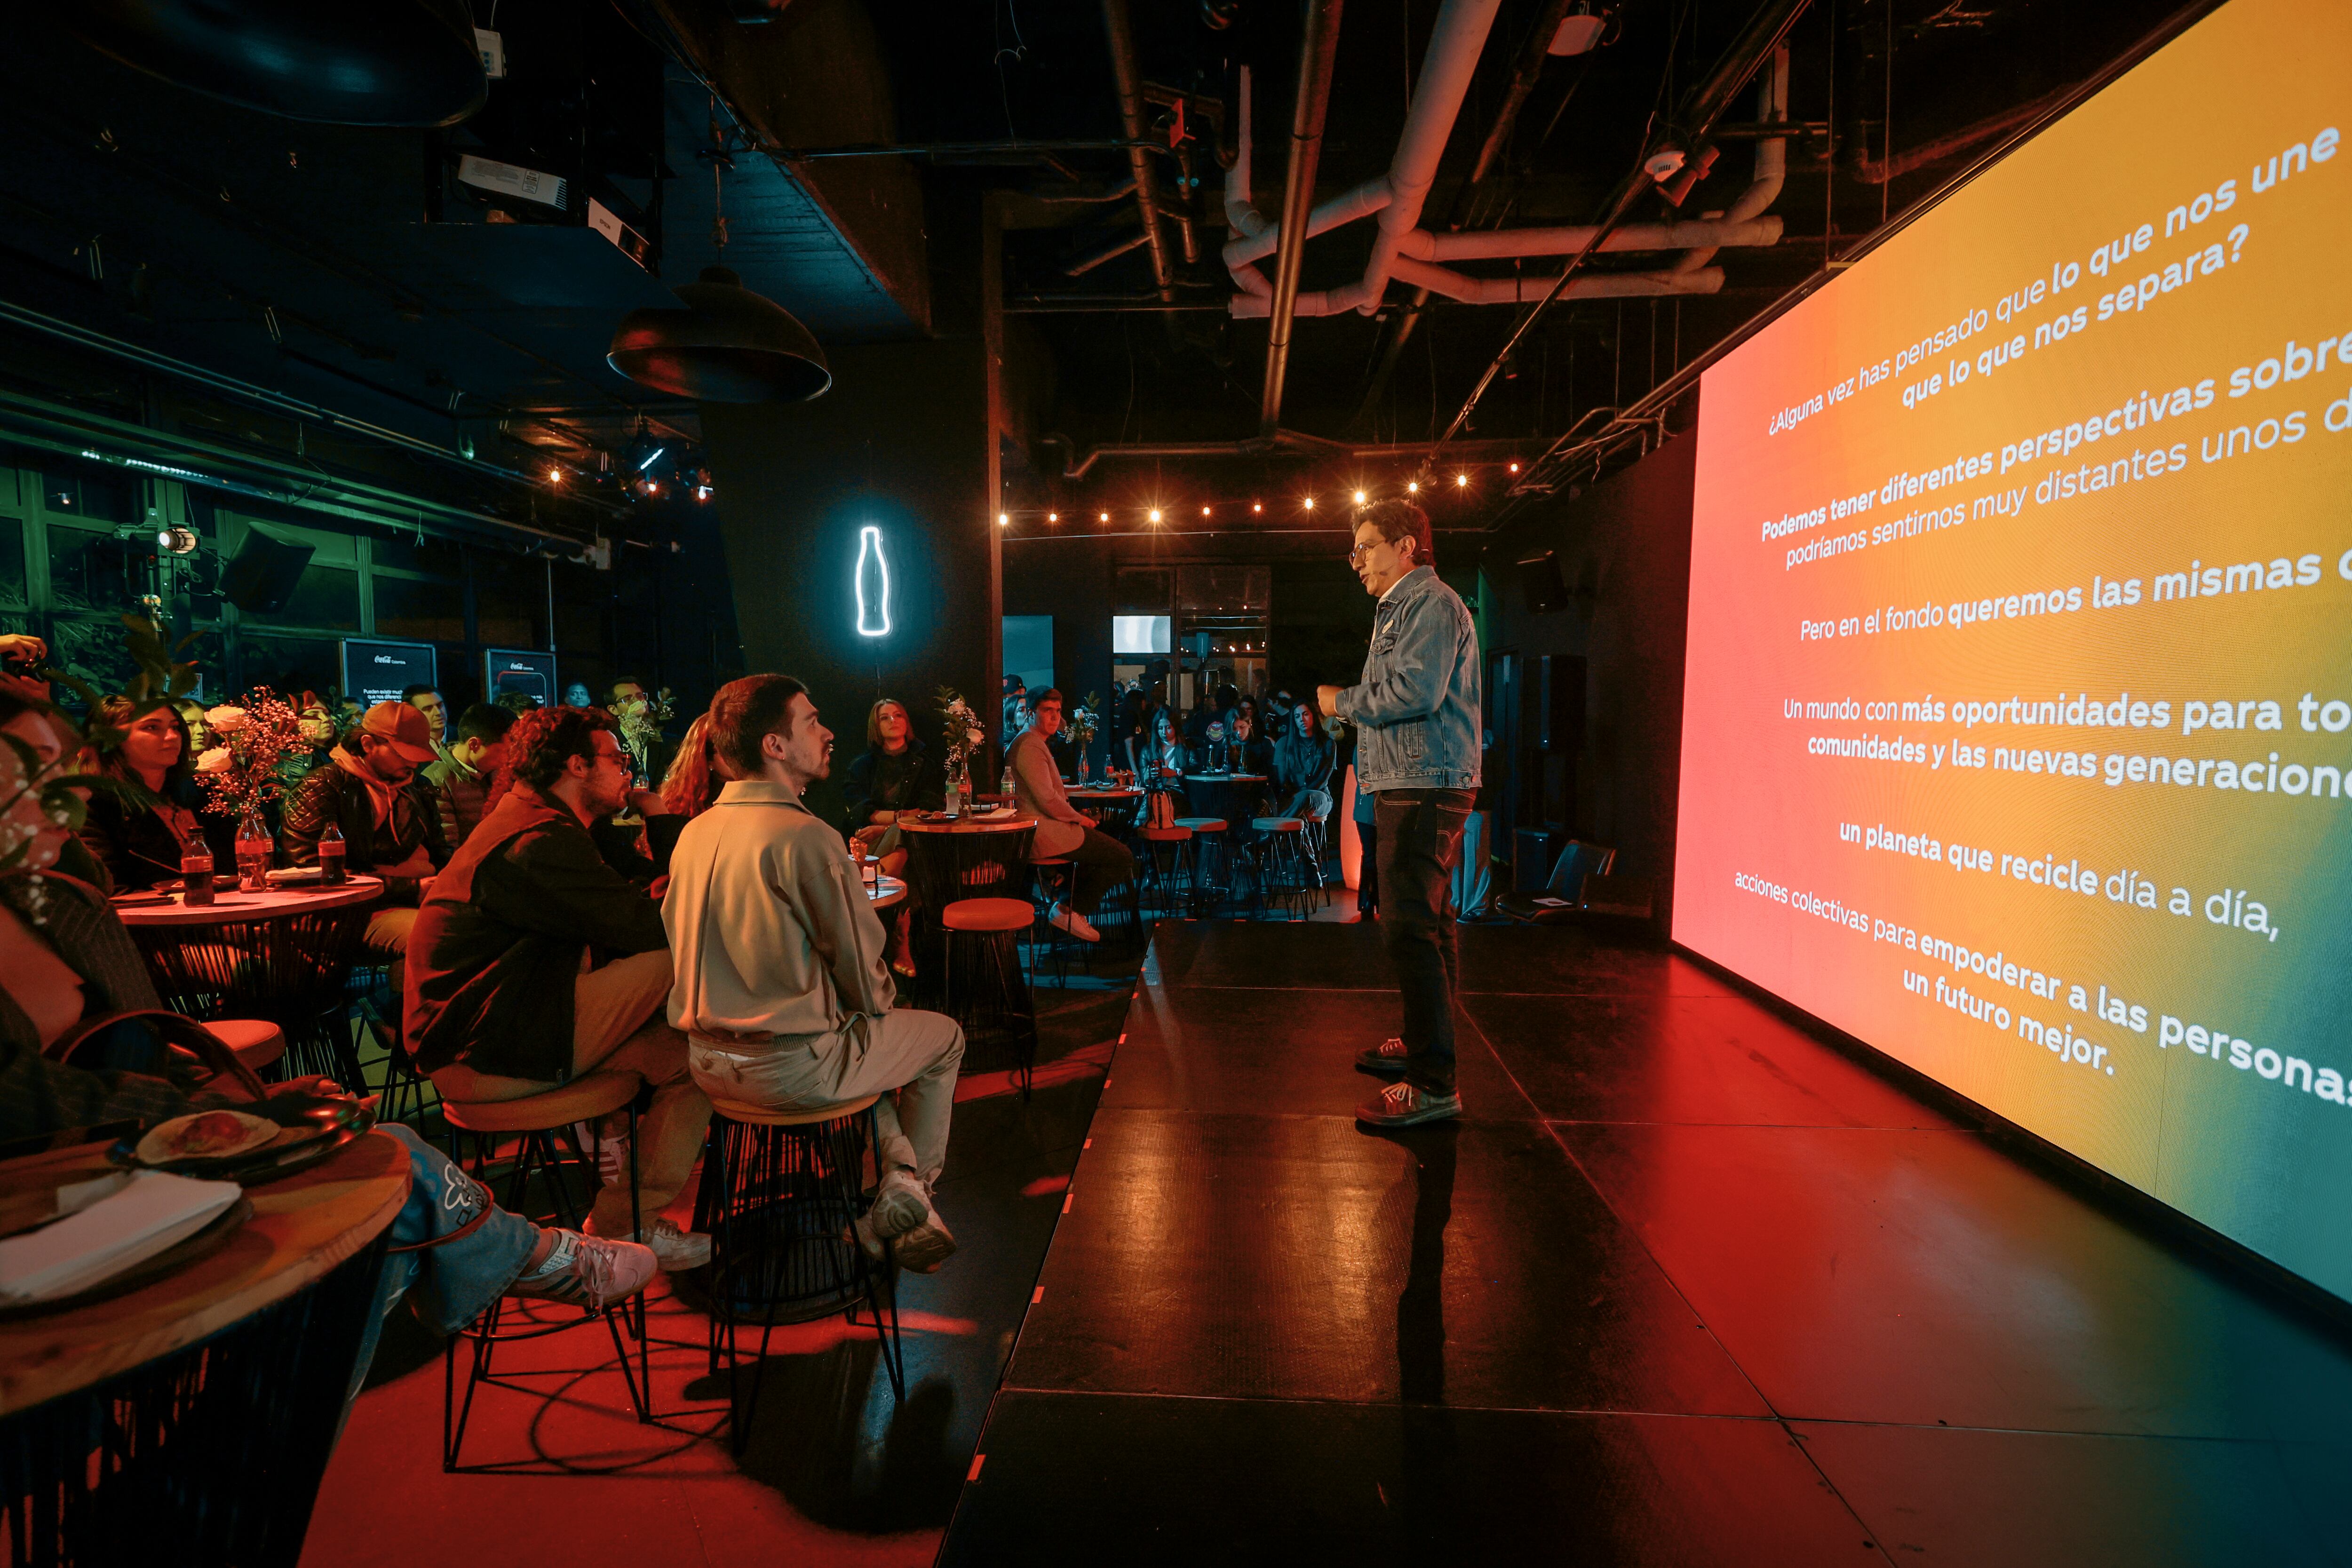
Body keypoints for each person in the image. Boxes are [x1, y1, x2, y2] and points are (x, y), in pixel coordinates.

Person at [663, 675, 963, 1272]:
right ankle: (913, 1191)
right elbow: (863, 975)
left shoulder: (693, 834)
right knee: (940, 1040)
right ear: (775, 746)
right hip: (794, 1067)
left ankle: (898, 1181)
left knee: (862, 1055)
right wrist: (874, 1002)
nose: (827, 733)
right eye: (810, 722)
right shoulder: (807, 838)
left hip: (707, 1065)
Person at [405, 706, 711, 1268]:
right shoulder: (537, 836)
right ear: (576, 765)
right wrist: (663, 819)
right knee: (680, 961)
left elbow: (627, 902)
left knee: (695, 1060)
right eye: (618, 760)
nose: (628, 773)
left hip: (510, 1026)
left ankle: (624, 1224)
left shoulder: (544, 821)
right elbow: (654, 927)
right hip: (484, 1052)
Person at [1319, 499, 1480, 1128]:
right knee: (1429, 925)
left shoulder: (1430, 605)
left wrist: (1342, 703)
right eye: (1356, 550)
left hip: (1425, 783)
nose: (1359, 562)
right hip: (1418, 779)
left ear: (1409, 543)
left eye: (1369, 546)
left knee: (1411, 928)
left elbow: (1416, 691)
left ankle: (1434, 1084)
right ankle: (1427, 1046)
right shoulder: (1409, 608)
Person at [282, 701, 449, 965]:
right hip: (360, 911)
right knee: (438, 937)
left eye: (418, 754)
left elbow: (440, 851)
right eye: (404, 753)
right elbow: (312, 872)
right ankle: (411, 1006)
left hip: (424, 897)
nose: (414, 763)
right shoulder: (324, 786)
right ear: (369, 744)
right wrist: (410, 889)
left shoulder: (416, 785)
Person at [1009, 688, 1135, 943]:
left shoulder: (1033, 742)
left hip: (1043, 828)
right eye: (1048, 711)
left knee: (1102, 846)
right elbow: (1047, 799)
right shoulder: (1030, 745)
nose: (1055, 717)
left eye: (1058, 711)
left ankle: (1063, 901)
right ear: (1031, 714)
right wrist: (1078, 819)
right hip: (1041, 833)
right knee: (1122, 856)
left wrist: (1076, 814)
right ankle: (1069, 910)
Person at [76, 697, 209, 892]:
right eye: (152, 728)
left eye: (176, 727)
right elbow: (113, 890)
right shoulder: (95, 804)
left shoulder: (201, 794)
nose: (173, 736)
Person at [422, 701, 516, 850]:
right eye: (504, 752)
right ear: (474, 745)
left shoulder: (499, 772)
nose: (509, 759)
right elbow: (448, 847)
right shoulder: (437, 780)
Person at [1272, 700, 1336, 821]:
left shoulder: (1328, 744)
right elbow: (1282, 780)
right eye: (1297, 716)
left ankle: (1273, 828)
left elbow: (1322, 780)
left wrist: (1301, 795)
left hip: (1319, 797)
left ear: (1313, 715)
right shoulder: (1284, 743)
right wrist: (1294, 795)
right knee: (1299, 807)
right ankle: (1302, 827)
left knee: (1307, 797)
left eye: (1305, 714)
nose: (1302, 719)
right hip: (1291, 797)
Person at [403, 684, 453, 766]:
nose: (438, 712)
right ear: (412, 714)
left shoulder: (464, 738)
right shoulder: (407, 747)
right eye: (428, 709)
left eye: (440, 705)